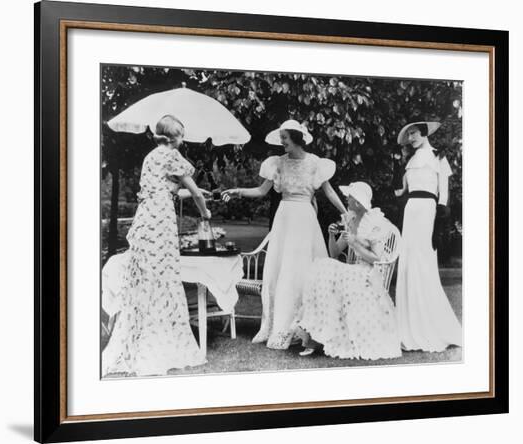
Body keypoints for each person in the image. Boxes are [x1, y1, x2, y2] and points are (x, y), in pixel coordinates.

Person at [222, 119, 347, 349]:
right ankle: (280, 327)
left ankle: (307, 327)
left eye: (285, 139)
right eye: (281, 140)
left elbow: (329, 192)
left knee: (303, 270)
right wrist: (237, 191)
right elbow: (261, 190)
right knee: (283, 270)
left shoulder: (315, 163)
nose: (282, 143)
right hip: (285, 218)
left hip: (305, 220)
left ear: (297, 139)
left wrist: (346, 212)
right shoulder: (277, 163)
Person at [102, 115, 211, 377]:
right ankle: (160, 342)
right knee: (164, 278)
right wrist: (204, 211)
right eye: (182, 136)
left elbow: (168, 190)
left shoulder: (150, 157)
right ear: (175, 138)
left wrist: (197, 193)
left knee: (148, 280)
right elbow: (193, 192)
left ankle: (143, 337)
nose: (183, 140)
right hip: (161, 221)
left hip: (145, 219)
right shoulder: (173, 156)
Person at [296, 182, 402, 359]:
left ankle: (323, 337)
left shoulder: (375, 223)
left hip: (368, 272)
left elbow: (377, 259)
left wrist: (354, 243)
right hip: (353, 270)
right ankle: (316, 335)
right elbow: (334, 252)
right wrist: (331, 235)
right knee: (323, 266)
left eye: (350, 197)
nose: (347, 199)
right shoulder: (351, 219)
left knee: (331, 272)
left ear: (358, 203)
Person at [394, 121, 462, 352]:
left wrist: (440, 217)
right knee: (409, 261)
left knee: (423, 261)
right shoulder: (410, 161)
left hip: (427, 210)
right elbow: (402, 189)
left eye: (414, 133)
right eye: (409, 135)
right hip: (411, 210)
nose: (411, 137)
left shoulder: (438, 156)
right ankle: (408, 325)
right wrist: (398, 180)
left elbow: (443, 189)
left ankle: (431, 324)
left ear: (423, 133)